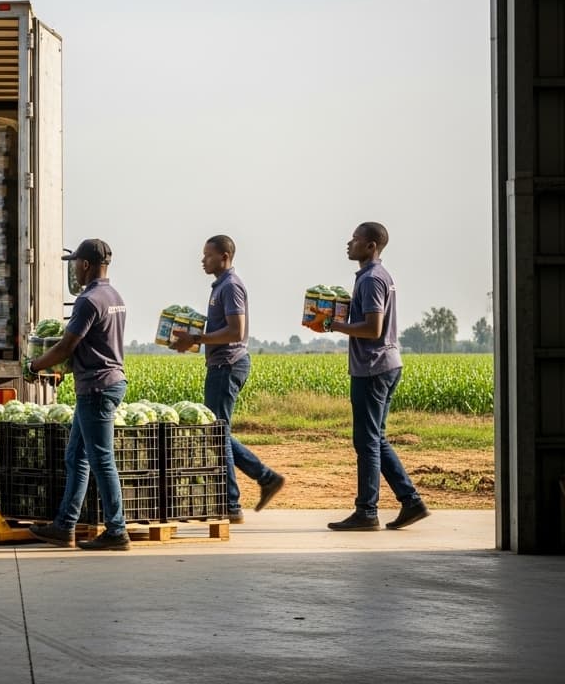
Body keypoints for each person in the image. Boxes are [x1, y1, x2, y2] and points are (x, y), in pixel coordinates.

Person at [307, 222, 430, 531]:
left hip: (373, 367)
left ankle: (367, 512)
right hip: (384, 364)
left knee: (366, 442)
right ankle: (411, 502)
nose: (349, 243)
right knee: (376, 439)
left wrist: (332, 325)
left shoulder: (372, 280)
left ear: (371, 246)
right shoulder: (376, 277)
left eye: (356, 239)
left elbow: (373, 328)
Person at [25, 238, 132, 551]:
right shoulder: (114, 296)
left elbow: (66, 345)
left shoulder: (89, 300)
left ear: (85, 264)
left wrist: (35, 366)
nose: (73, 269)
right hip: (109, 380)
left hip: (97, 388)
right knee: (77, 456)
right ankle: (65, 525)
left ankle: (117, 530)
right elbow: (94, 344)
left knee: (101, 460)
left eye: (74, 263)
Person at [171, 235, 285, 523]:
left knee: (217, 433)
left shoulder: (231, 286)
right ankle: (264, 478)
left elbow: (236, 330)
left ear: (224, 256)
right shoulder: (220, 286)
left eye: (208, 255)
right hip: (221, 365)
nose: (202, 260)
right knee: (217, 432)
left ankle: (233, 504)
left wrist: (197, 337)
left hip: (228, 366)